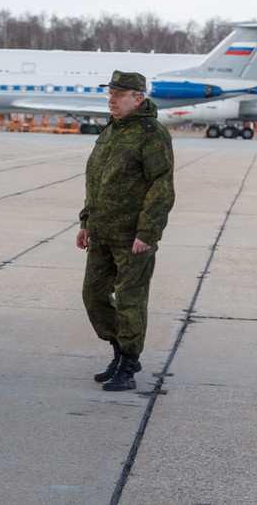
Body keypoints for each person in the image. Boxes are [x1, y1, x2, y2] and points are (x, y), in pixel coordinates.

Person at [77, 70, 175, 391]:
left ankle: (129, 366)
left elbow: (162, 188)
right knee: (93, 295)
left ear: (138, 98)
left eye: (118, 96)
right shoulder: (111, 131)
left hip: (133, 238)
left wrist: (147, 233)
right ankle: (119, 352)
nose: (111, 101)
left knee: (131, 300)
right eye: (110, 95)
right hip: (101, 234)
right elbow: (96, 181)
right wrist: (85, 222)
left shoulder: (151, 134)